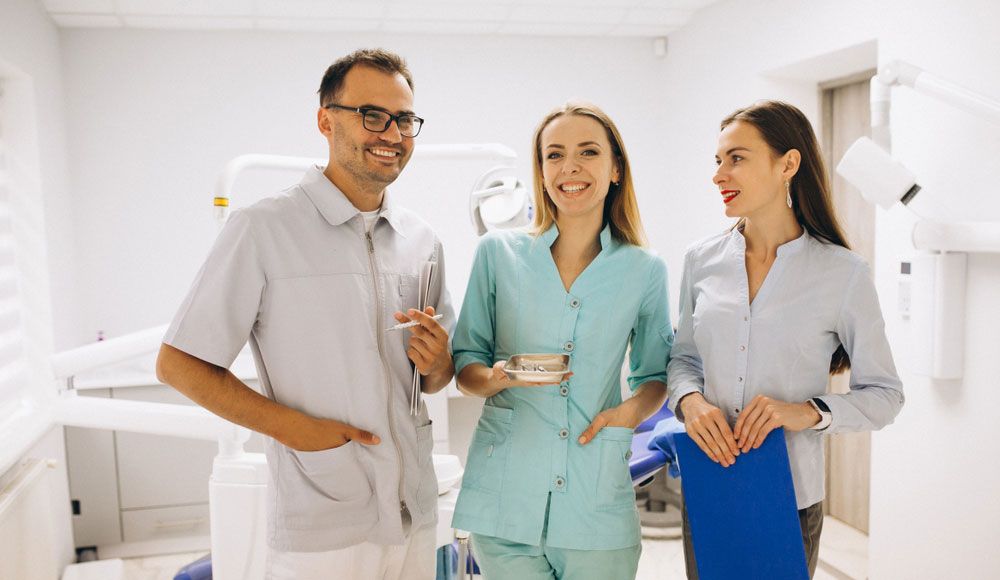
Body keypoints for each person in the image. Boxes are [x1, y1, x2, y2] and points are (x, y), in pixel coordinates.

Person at [155, 48, 455, 580]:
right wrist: (296, 430)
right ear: (326, 121)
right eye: (372, 115)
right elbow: (180, 364)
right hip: (324, 516)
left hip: (415, 511)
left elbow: (433, 379)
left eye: (405, 119)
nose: (392, 133)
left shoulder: (421, 240)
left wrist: (437, 362)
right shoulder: (263, 229)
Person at [667, 100, 905, 578]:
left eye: (736, 158)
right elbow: (683, 359)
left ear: (787, 164)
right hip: (709, 487)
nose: (719, 175)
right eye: (718, 161)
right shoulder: (701, 260)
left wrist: (805, 412)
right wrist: (690, 401)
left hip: (789, 497)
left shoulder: (842, 273)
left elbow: (886, 396)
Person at [450, 101, 674, 580]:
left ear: (615, 169)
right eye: (554, 155)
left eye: (588, 152)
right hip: (506, 496)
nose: (569, 167)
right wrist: (494, 377)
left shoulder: (644, 269)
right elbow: (466, 360)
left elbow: (655, 375)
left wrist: (627, 415)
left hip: (596, 503)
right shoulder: (497, 254)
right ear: (541, 171)